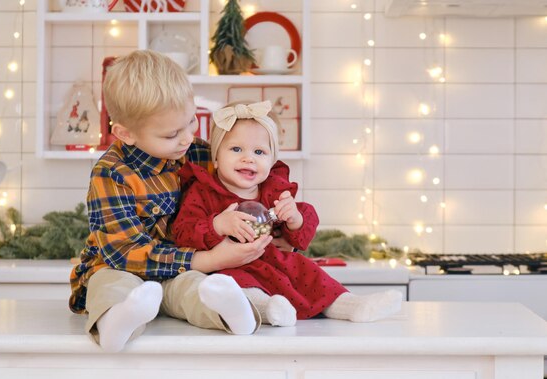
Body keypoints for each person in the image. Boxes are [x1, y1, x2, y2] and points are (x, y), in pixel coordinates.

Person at [69, 51, 272, 353]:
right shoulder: (112, 173)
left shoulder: (200, 154)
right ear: (126, 133)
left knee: (198, 288)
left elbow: (248, 181)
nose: (187, 138)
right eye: (171, 134)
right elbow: (125, 252)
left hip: (182, 270)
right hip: (123, 266)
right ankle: (117, 321)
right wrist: (210, 260)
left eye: (191, 122)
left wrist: (273, 220)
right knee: (110, 284)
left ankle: (233, 315)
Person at [171, 100, 402, 326]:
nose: (248, 158)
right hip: (230, 263)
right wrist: (218, 225)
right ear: (216, 158)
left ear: (272, 161)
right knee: (237, 282)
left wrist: (294, 218)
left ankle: (350, 305)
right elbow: (181, 231)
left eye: (259, 151)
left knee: (307, 271)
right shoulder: (203, 191)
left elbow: (303, 230)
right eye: (236, 149)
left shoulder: (274, 190)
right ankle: (267, 309)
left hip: (275, 261)